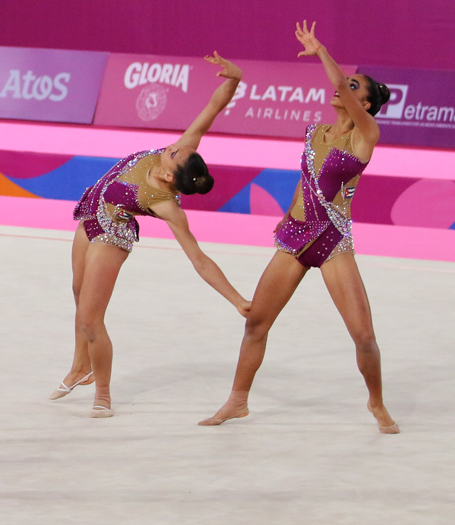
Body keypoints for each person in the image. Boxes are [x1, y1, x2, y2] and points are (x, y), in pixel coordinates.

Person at [200, 23, 398, 435]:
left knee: (363, 337)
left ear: (364, 102)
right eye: (346, 81)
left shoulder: (366, 136)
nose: (343, 86)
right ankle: (237, 401)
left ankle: (376, 402)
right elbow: (304, 183)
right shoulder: (314, 133)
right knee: (256, 323)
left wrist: (322, 50)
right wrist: (291, 214)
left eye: (353, 85)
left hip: (331, 242)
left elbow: (340, 84)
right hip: (293, 238)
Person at [50, 53, 250, 417]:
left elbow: (199, 259)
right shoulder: (176, 154)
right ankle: (81, 366)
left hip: (111, 236)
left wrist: (237, 300)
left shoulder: (164, 204)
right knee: (79, 298)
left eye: (174, 153)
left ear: (172, 177)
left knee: (91, 318)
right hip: (89, 217)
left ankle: (104, 393)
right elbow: (211, 110)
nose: (173, 146)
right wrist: (234, 80)